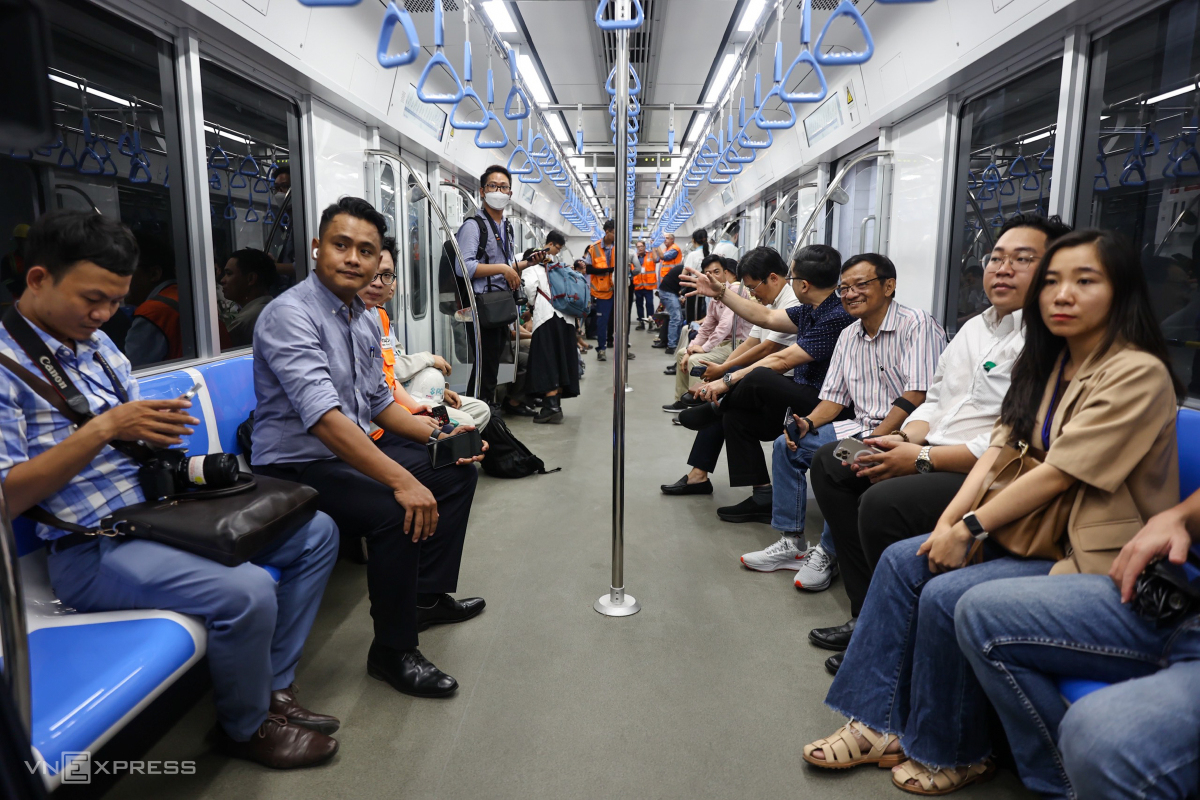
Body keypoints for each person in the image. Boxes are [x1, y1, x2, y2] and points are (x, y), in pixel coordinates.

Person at [803, 229, 1182, 796]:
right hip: (1043, 535)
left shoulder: (1136, 372)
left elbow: (1060, 472)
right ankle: (878, 722)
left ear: (1122, 291)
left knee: (944, 593)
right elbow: (999, 453)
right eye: (1053, 281)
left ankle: (958, 749)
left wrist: (972, 527)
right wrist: (949, 525)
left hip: (1095, 557)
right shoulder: (1052, 366)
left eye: (1084, 281)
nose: (1062, 294)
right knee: (907, 559)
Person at [0, 210, 341, 768]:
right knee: (249, 590)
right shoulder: (7, 369)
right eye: (92, 299)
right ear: (38, 279)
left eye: (116, 301)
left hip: (158, 515)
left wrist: (154, 432)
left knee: (317, 532)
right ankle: (245, 727)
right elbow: (8, 498)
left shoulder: (99, 347)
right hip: (93, 546)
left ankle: (273, 687)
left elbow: (131, 432)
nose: (104, 314)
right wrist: (106, 428)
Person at [806, 215, 1069, 672]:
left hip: (985, 471)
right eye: (996, 258)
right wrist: (902, 438)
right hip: (929, 445)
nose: (1002, 269)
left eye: (1023, 259)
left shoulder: (1048, 343)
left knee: (882, 503)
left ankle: (894, 634)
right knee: (831, 462)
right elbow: (935, 399)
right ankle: (867, 612)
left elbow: (1011, 443)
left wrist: (922, 459)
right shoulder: (974, 328)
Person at [252, 197, 488, 701]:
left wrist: (440, 437)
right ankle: (392, 650)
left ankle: (425, 599)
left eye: (366, 250)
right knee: (393, 508)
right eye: (341, 245)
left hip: (348, 451)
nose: (353, 259)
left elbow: (379, 403)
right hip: (298, 464)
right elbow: (324, 420)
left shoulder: (361, 318)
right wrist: (403, 480)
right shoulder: (290, 315)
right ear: (316, 248)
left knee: (455, 472)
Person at [957, 486, 1200, 800]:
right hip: (1181, 596)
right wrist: (1179, 516)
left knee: (1098, 734)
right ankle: (1060, 789)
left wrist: (968, 526)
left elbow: (1060, 471)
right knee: (978, 612)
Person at [660, 247, 812, 518]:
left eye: (753, 288)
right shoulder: (769, 302)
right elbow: (753, 341)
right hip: (768, 379)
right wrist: (722, 370)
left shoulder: (792, 304)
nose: (752, 294)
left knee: (734, 401)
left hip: (784, 385)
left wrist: (725, 376)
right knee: (731, 407)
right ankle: (714, 477)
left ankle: (716, 407)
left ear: (773, 278)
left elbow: (769, 349)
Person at [360, 236, 490, 431]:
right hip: (393, 407)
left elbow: (391, 371)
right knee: (465, 423)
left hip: (410, 396)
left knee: (481, 410)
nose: (383, 284)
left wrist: (438, 391)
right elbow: (391, 372)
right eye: (373, 275)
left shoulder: (381, 317)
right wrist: (428, 359)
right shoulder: (356, 320)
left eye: (388, 276)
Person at [454, 165, 536, 403]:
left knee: (491, 367)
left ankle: (486, 412)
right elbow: (464, 267)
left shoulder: (506, 227)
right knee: (485, 368)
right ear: (482, 191)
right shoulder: (473, 226)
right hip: (482, 309)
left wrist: (528, 263)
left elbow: (506, 264)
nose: (498, 191)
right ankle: (481, 415)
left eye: (503, 187)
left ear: (510, 194)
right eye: (493, 186)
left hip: (500, 306)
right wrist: (502, 268)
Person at [664, 255, 749, 401]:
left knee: (696, 360)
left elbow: (724, 326)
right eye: (708, 273)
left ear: (725, 273)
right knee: (682, 354)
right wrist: (690, 349)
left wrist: (704, 348)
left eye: (717, 272)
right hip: (722, 343)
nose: (712, 277)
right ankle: (681, 400)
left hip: (738, 344)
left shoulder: (734, 291)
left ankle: (697, 402)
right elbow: (706, 328)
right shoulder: (714, 297)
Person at [521, 230, 579, 424]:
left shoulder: (532, 267)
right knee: (561, 360)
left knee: (547, 361)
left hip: (547, 316)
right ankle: (556, 406)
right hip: (567, 317)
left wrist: (531, 305)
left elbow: (529, 289)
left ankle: (551, 407)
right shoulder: (559, 266)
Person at [125, 232, 181, 366]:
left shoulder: (154, 312)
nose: (121, 278)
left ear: (154, 274)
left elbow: (132, 371)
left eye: (127, 269)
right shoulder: (186, 296)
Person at [221, 247, 276, 348]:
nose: (223, 280)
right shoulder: (273, 308)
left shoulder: (246, 320)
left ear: (251, 279)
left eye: (229, 274)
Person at [584, 220, 618, 361]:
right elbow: (589, 269)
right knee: (602, 321)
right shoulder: (594, 248)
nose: (616, 236)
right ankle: (601, 349)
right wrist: (609, 270)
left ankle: (621, 348)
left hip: (619, 291)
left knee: (621, 321)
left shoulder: (621, 247)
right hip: (602, 291)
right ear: (607, 231)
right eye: (615, 233)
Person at [650, 232, 688, 351]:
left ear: (672, 239)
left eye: (667, 238)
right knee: (676, 317)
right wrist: (654, 246)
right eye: (664, 238)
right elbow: (656, 259)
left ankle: (665, 340)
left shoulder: (674, 249)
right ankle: (672, 345)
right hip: (667, 289)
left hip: (669, 288)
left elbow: (662, 257)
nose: (665, 240)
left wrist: (656, 244)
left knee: (671, 316)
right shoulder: (666, 250)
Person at [632, 239, 656, 329]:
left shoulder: (650, 255)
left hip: (648, 286)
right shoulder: (634, 257)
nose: (640, 248)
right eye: (638, 246)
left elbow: (657, 259)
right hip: (638, 285)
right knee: (639, 305)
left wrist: (654, 246)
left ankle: (650, 322)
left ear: (645, 247)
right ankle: (641, 322)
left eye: (641, 246)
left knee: (649, 304)